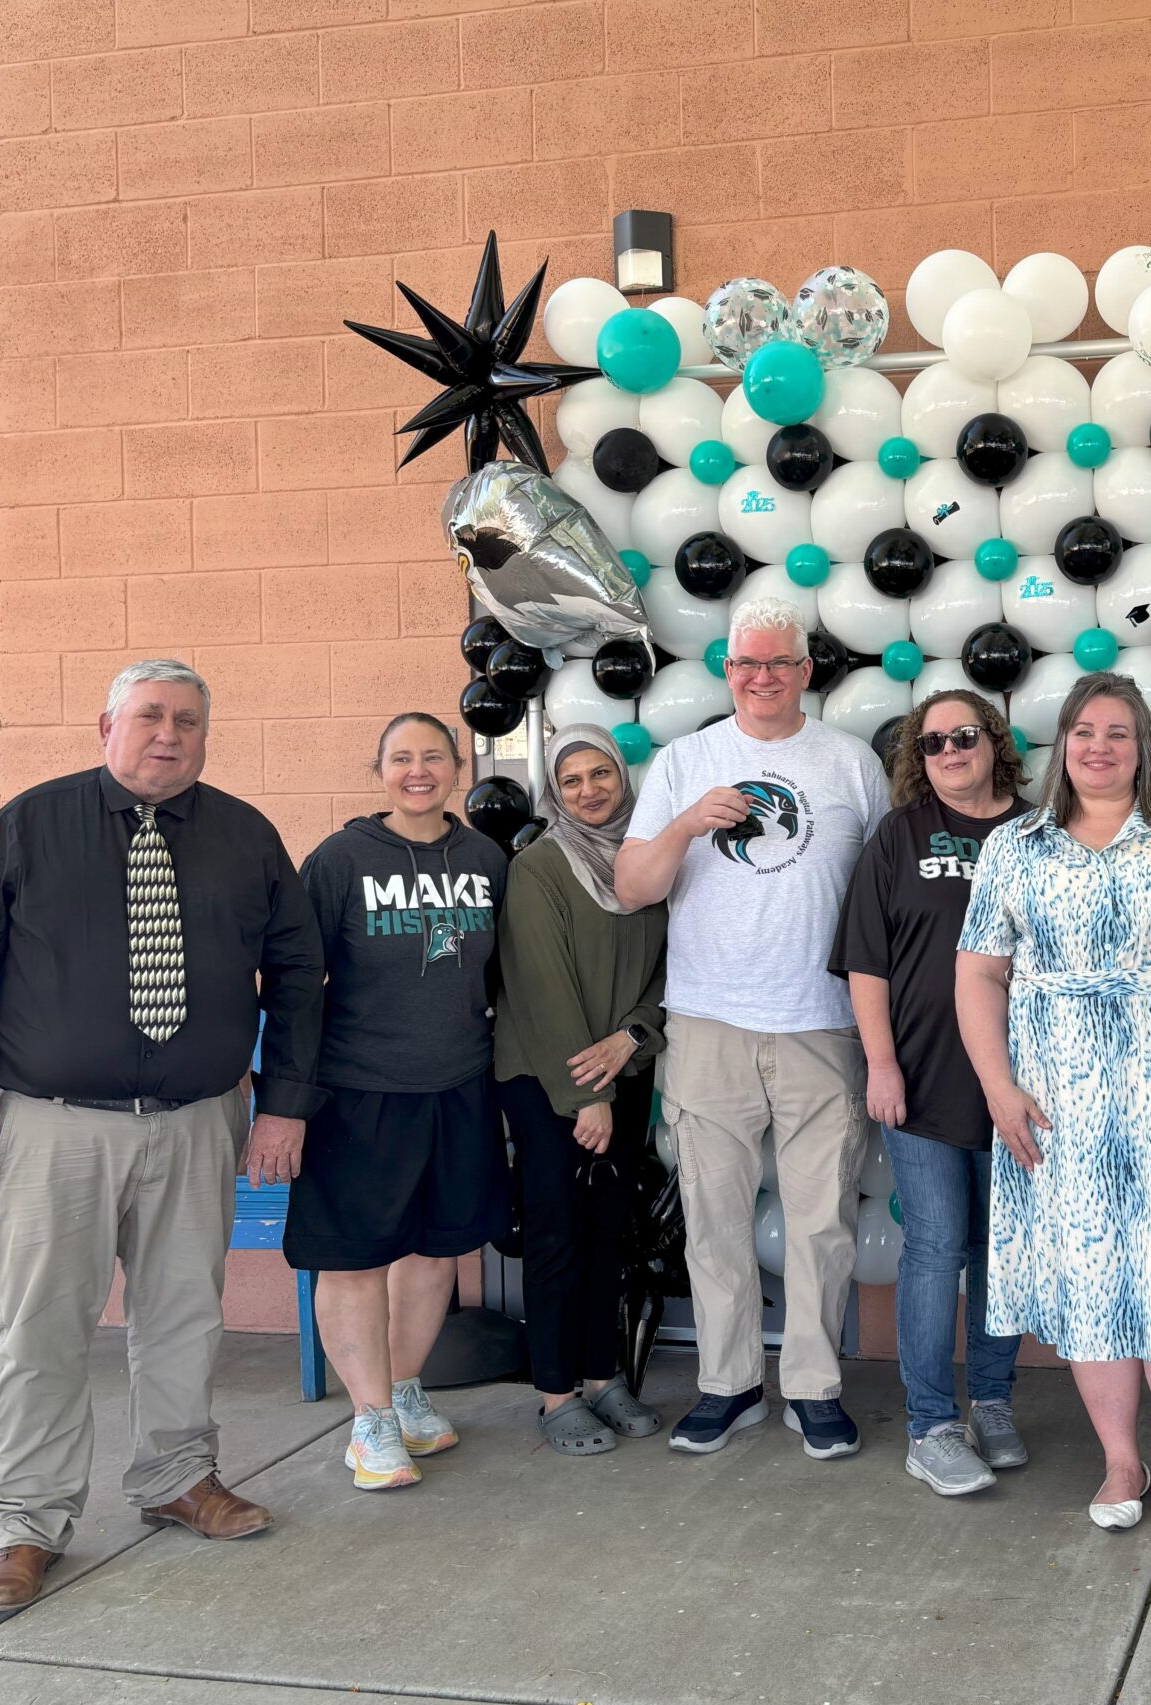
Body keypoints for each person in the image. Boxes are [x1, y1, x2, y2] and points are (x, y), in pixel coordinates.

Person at [0, 659, 322, 1613]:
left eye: (187, 720)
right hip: (54, 1129)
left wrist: (285, 1105)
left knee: (185, 1313)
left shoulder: (247, 837)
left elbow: (298, 978)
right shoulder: (30, 826)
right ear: (107, 727)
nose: (167, 735)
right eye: (148, 716)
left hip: (198, 1123)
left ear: (206, 736)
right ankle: (27, 1522)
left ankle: (177, 1478)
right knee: (41, 1327)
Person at [956, 673, 1151, 1538]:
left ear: (1144, 749)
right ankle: (1121, 1461)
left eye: (1118, 733)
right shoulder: (1015, 845)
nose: (1099, 747)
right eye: (1084, 731)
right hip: (1061, 1104)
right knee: (1091, 1277)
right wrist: (998, 1088)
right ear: (1062, 743)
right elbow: (979, 973)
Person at [614, 594, 888, 1458]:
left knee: (822, 1221)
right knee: (714, 1219)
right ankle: (728, 1386)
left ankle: (813, 1388)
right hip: (708, 1023)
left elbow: (885, 899)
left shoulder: (850, 763)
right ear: (725, 671)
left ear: (806, 671)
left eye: (778, 662)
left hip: (824, 1023)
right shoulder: (684, 761)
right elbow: (633, 886)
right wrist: (690, 822)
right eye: (746, 663)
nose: (761, 677)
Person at [285, 713, 508, 1491]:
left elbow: (500, 975)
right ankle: (369, 1419)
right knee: (353, 1260)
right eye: (402, 758)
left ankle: (405, 1389)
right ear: (379, 771)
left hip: (458, 1086)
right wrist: (285, 1096)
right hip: (358, 1093)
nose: (419, 771)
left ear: (459, 767)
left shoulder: (484, 858)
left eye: (434, 757)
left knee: (436, 1250)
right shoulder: (341, 860)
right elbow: (295, 982)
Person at [834, 690, 1032, 1497]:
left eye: (964, 736)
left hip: (1021, 1083)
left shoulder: (1039, 833)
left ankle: (992, 1400)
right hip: (920, 1076)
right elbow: (866, 960)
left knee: (1001, 1249)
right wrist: (881, 1064)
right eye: (933, 742)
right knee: (938, 1246)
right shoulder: (899, 835)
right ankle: (931, 1426)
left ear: (994, 743)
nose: (950, 752)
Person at [497, 726, 669, 1456]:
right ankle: (556, 1393)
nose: (589, 790)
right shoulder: (538, 866)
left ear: (623, 780)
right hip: (548, 1080)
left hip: (624, 1071)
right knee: (557, 1235)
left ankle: (601, 1377)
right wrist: (584, 1096)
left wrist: (633, 1035)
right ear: (554, 793)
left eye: (601, 774)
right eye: (571, 781)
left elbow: (674, 967)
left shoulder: (647, 864)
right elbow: (542, 987)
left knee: (608, 1233)